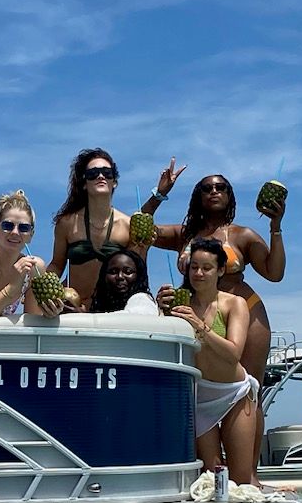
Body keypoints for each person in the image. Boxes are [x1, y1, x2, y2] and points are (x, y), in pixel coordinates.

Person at [142, 171, 286, 479]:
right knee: (201, 384)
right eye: (206, 188)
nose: (214, 191)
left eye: (221, 187)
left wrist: (275, 226)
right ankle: (211, 470)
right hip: (197, 312)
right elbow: (140, 230)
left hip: (244, 308)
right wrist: (159, 193)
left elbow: (274, 272)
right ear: (198, 195)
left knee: (250, 390)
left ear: (231, 195)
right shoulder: (184, 234)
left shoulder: (242, 235)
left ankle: (251, 474)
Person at [156, 238, 257, 485]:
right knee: (213, 476)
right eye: (194, 267)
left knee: (241, 477)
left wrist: (199, 326)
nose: (199, 273)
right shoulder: (180, 304)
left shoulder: (234, 303)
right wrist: (160, 311)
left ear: (220, 270)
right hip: (199, 396)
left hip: (234, 392)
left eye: (207, 268)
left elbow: (234, 352)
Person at [46, 149, 167, 306]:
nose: (100, 176)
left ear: (114, 181)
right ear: (84, 183)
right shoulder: (67, 223)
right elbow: (57, 264)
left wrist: (144, 247)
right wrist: (46, 290)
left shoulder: (127, 225)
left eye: (107, 172)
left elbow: (135, 271)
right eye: (93, 173)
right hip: (72, 307)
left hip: (110, 310)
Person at [0, 190, 60, 319]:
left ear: (31, 235)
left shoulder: (34, 268)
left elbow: (32, 318)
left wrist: (50, 311)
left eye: (23, 228)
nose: (15, 232)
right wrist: (12, 288)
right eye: (8, 225)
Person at [90, 248, 160, 314]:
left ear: (138, 276)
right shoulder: (99, 304)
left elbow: (133, 318)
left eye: (128, 272)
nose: (120, 277)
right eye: (113, 272)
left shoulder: (142, 298)